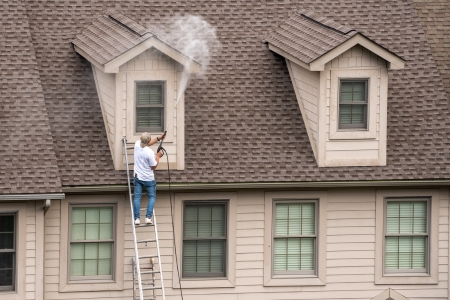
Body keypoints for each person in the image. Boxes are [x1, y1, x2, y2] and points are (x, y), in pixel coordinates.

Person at [133, 132, 165, 225]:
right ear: (147, 141)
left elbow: (148, 143)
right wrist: (158, 156)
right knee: (151, 197)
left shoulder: (137, 144)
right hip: (148, 179)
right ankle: (148, 218)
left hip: (138, 177)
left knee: (137, 197)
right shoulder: (149, 152)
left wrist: (159, 138)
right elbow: (154, 167)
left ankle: (137, 219)